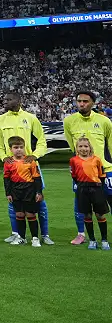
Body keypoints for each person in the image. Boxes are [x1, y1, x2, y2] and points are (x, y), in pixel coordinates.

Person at [0, 92, 52, 245]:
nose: (5, 101)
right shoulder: (0, 120)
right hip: (12, 167)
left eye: (9, 99)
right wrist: (3, 157)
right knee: (14, 201)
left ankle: (44, 235)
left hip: (30, 166)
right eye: (5, 99)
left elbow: (41, 140)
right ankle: (17, 234)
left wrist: (35, 155)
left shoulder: (30, 118)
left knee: (40, 201)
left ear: (19, 100)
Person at [63, 90, 112, 245]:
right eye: (79, 101)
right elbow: (72, 145)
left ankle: (103, 237)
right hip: (82, 172)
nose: (82, 104)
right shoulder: (69, 121)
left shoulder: (104, 121)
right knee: (81, 203)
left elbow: (110, 145)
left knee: (109, 201)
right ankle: (81, 234)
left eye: (85, 101)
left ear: (93, 103)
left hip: (105, 169)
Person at [70, 137, 110, 250]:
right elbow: (74, 176)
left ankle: (104, 240)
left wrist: (96, 186)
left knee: (100, 214)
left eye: (86, 146)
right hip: (82, 189)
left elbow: (102, 176)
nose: (83, 148)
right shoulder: (73, 160)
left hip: (96, 189)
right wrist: (82, 185)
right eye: (80, 146)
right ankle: (92, 240)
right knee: (87, 215)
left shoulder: (96, 159)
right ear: (77, 148)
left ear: (90, 147)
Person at [3, 135, 44, 247]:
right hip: (16, 190)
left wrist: (38, 192)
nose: (19, 149)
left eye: (21, 147)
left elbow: (36, 177)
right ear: (11, 149)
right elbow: (6, 179)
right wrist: (8, 193)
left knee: (30, 214)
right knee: (19, 214)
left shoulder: (30, 161)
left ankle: (35, 238)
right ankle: (21, 237)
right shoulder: (8, 163)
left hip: (29, 190)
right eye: (16, 147)